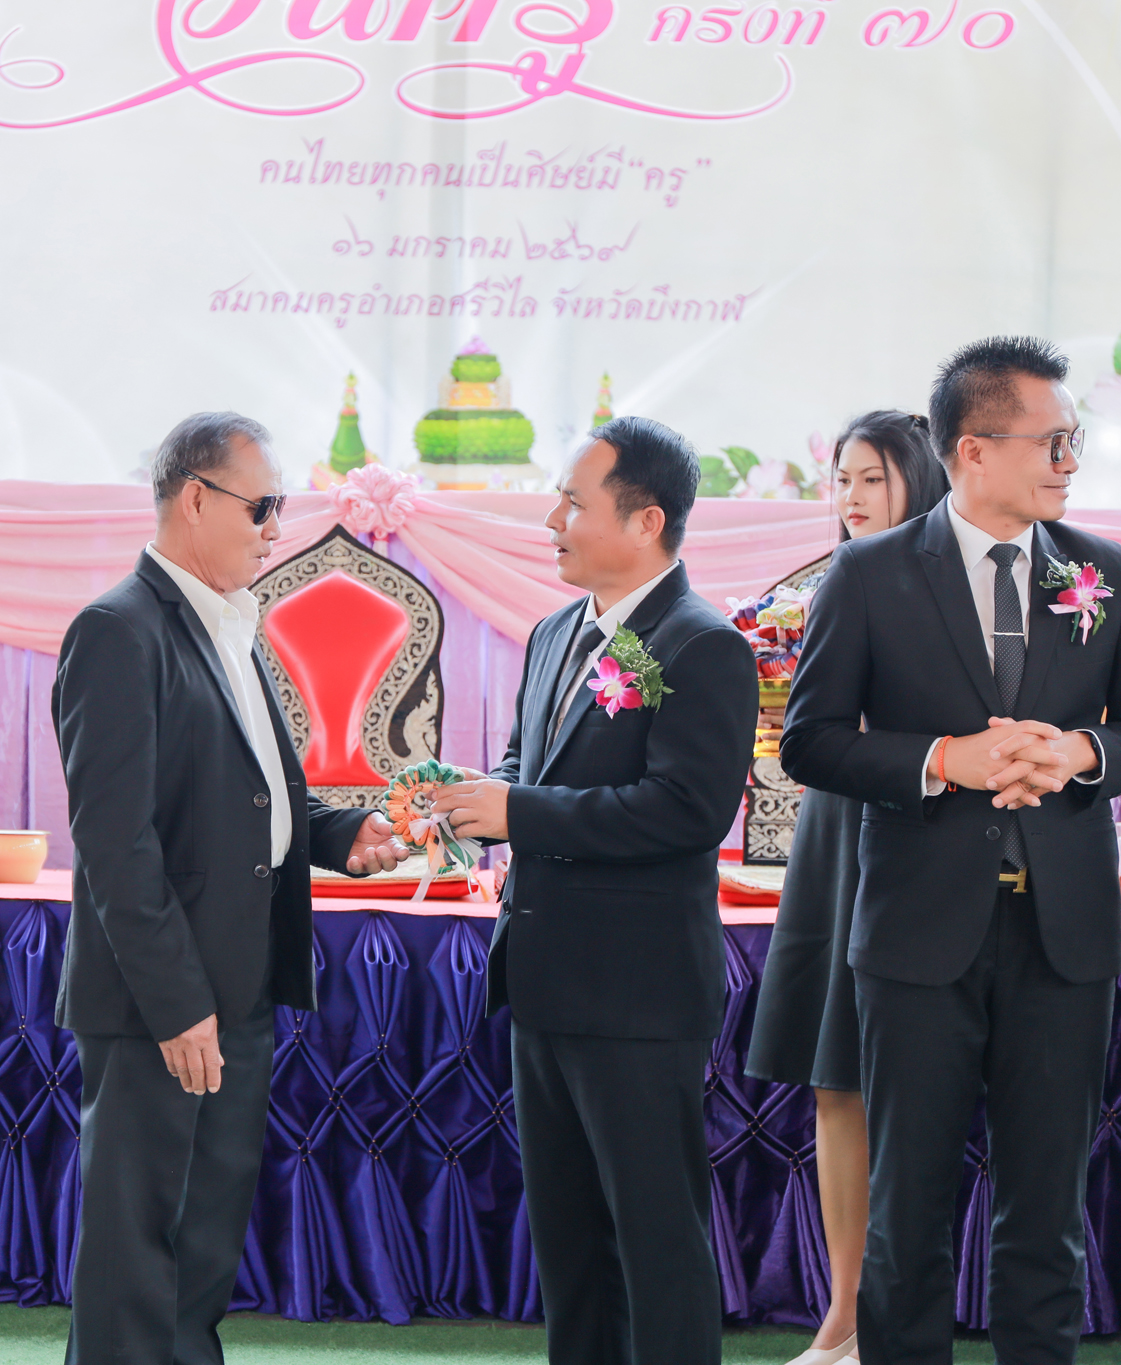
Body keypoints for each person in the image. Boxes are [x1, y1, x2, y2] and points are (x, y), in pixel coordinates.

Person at [782, 336, 1121, 1365]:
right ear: (972, 449)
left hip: (1063, 933)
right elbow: (809, 742)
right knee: (907, 1210)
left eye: (1072, 440)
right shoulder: (869, 573)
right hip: (916, 931)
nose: (1068, 461)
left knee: (1045, 1211)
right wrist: (941, 760)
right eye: (1052, 442)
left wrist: (1080, 751)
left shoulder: (1101, 569)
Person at [52, 412, 408, 1365]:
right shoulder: (117, 630)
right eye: (263, 506)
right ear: (195, 499)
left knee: (202, 1246)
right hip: (160, 1003)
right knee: (137, 1251)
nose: (275, 527)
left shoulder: (230, 622)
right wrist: (178, 1005)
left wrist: (339, 832)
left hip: (239, 987)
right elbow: (118, 844)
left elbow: (247, 789)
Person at [434, 416, 758, 1365]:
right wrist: (464, 802)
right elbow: (525, 767)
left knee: (656, 1244)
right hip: (543, 978)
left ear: (646, 520)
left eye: (573, 503)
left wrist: (517, 809)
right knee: (570, 1249)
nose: (553, 520)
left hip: (637, 992)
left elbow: (685, 811)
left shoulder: (704, 646)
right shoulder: (553, 632)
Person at [744, 410, 949, 1365]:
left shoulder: (958, 582)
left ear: (922, 479)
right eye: (842, 479)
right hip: (838, 829)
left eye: (873, 477)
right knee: (838, 1078)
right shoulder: (835, 583)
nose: (852, 496)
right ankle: (845, 1314)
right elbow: (808, 733)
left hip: (929, 831)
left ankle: (899, 1313)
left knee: (919, 1083)